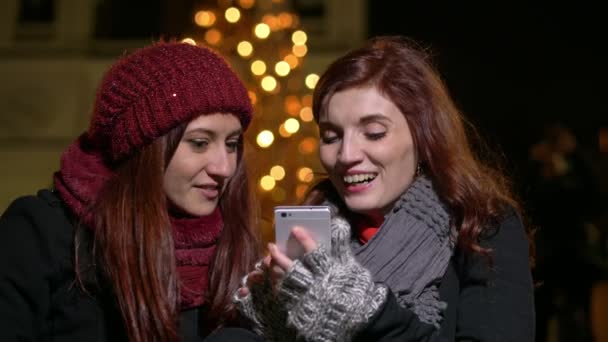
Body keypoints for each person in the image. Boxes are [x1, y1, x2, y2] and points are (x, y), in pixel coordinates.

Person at [235, 36, 535, 341]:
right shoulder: (314, 231)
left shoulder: (482, 226)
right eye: (330, 136)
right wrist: (271, 321)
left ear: (423, 136)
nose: (347, 154)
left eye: (374, 133)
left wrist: (367, 315)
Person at [0, 41, 263, 341]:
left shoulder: (232, 242)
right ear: (143, 148)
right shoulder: (43, 232)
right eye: (200, 143)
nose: (224, 167)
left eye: (231, 144)